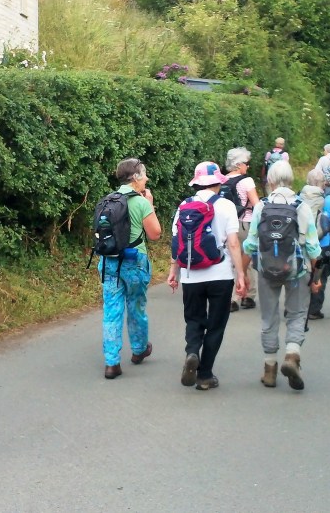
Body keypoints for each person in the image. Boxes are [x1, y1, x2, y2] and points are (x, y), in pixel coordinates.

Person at [167, 161, 247, 391]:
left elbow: (176, 242)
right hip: (220, 275)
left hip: (191, 275)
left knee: (194, 320)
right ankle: (205, 374)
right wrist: (240, 274)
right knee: (216, 324)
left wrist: (174, 271)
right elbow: (233, 243)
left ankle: (192, 351)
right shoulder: (226, 205)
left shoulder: (184, 205)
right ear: (217, 181)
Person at [242, 160, 321, 391]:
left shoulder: (262, 207)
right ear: (291, 180)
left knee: (269, 317)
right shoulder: (301, 206)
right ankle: (292, 354)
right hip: (297, 271)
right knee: (296, 313)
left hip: (266, 271)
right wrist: (316, 277)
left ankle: (269, 369)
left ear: (270, 181)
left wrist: (242, 274)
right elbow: (313, 247)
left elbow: (250, 244)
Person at [100, 158, 162, 380]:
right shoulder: (141, 202)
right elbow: (155, 234)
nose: (146, 178)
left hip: (109, 262)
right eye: (144, 174)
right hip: (134, 262)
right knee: (136, 307)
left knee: (111, 310)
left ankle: (111, 363)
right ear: (135, 177)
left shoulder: (107, 200)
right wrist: (150, 204)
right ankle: (138, 350)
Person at [300, 169, 330, 322]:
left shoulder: (298, 198)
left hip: (301, 245)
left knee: (300, 274)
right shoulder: (329, 201)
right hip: (323, 247)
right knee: (319, 275)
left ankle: (296, 308)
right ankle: (314, 310)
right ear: (323, 184)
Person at [223, 147, 260, 312]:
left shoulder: (221, 180)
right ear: (238, 165)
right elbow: (257, 205)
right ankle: (244, 297)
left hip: (226, 225)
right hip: (245, 223)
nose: (248, 166)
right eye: (246, 163)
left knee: (231, 260)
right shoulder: (247, 181)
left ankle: (234, 296)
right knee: (247, 259)